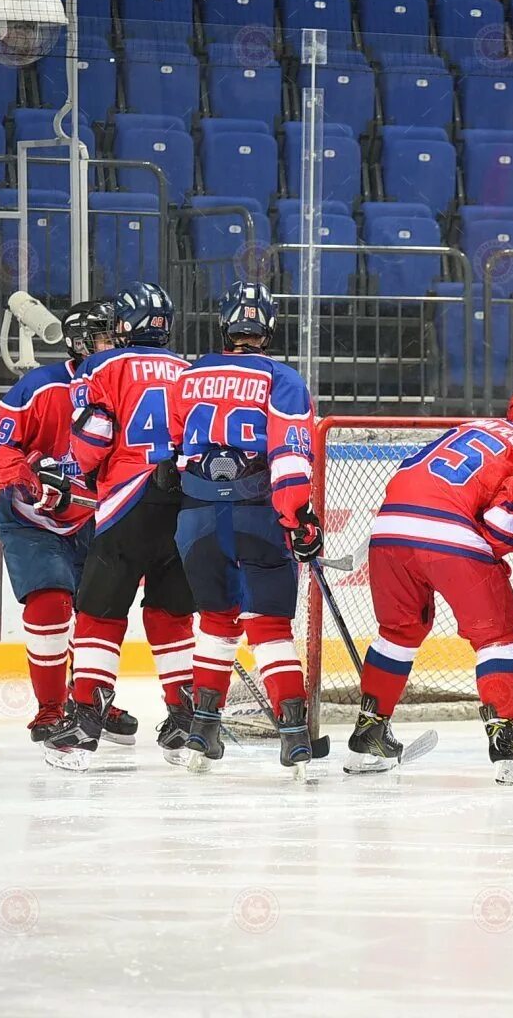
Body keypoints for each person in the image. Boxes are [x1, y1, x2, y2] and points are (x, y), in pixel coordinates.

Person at [353, 388, 513, 782]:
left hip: (388, 529)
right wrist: (486, 557)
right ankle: (508, 742)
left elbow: (407, 472)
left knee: (398, 634)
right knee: (496, 636)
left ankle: (370, 731)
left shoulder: (468, 427)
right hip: (451, 534)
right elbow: (510, 526)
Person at [167, 283, 320, 775]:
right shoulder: (283, 378)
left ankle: (202, 732)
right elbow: (291, 457)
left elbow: (172, 445)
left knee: (215, 621)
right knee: (269, 627)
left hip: (195, 516)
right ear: (269, 329)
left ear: (224, 326)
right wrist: (298, 518)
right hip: (256, 514)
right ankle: (294, 739)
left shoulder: (189, 375)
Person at [43, 283, 196, 771]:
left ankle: (86, 717)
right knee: (171, 613)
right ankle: (184, 718)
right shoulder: (192, 371)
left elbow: (96, 435)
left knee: (99, 613)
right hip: (187, 503)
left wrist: (69, 467)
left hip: (129, 502)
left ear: (124, 327)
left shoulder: (101, 367)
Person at [0, 301, 136, 745]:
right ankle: (49, 712)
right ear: (81, 342)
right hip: (32, 521)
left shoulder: (123, 387)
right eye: (104, 338)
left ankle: (90, 699)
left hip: (92, 520)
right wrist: (29, 481)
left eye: (115, 338)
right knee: (51, 601)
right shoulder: (40, 387)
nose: (113, 346)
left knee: (99, 611)